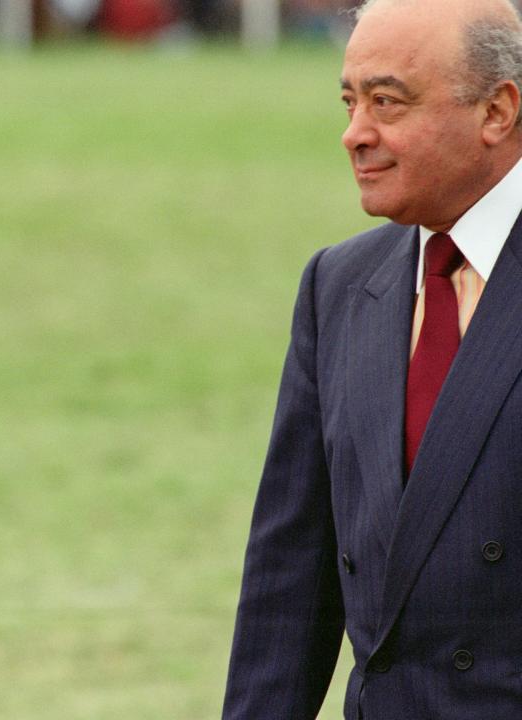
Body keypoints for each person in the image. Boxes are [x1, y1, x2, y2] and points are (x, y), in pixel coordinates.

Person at [222, 0, 522, 717]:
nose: (355, 134)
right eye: (350, 101)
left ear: (497, 111)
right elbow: (289, 581)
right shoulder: (339, 286)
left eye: (388, 102)